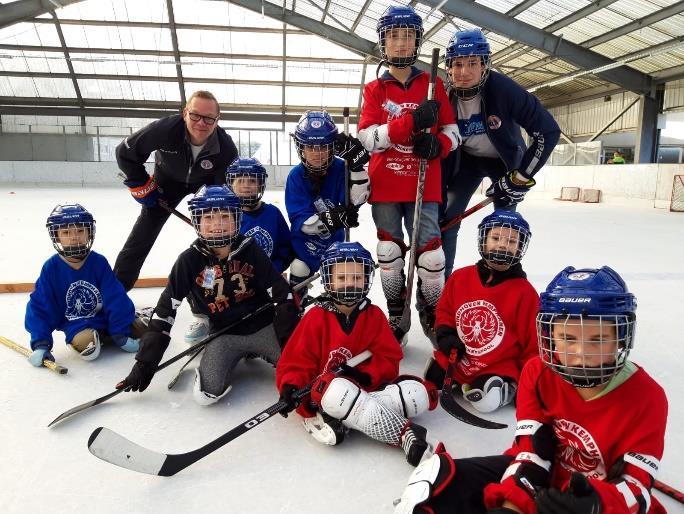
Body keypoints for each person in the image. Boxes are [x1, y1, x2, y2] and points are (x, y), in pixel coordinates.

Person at [394, 266, 668, 514]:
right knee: (432, 482)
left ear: (621, 336)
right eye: (568, 338)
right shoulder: (537, 373)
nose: (581, 352)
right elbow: (532, 452)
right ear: (550, 335)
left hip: (599, 496)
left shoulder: (647, 397)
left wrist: (596, 504)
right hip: (542, 476)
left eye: (598, 339)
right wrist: (513, 504)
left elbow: (635, 486)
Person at [118, 185, 299, 405]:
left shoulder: (250, 250)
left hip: (262, 327)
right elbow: (165, 312)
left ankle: (257, 351)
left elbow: (282, 296)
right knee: (205, 396)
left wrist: (289, 340)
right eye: (208, 217)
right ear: (196, 221)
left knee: (301, 369)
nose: (217, 224)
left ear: (237, 219)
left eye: (224, 216)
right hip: (224, 334)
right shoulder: (188, 261)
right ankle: (217, 353)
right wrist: (144, 364)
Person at [276, 242, 438, 466]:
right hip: (325, 395)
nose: (350, 284)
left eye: (357, 278)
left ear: (367, 279)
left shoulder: (373, 316)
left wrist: (365, 376)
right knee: (338, 393)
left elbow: (389, 359)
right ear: (328, 279)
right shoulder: (316, 318)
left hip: (367, 390)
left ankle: (344, 419)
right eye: (342, 279)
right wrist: (290, 388)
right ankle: (403, 434)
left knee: (417, 395)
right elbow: (296, 362)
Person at [357, 5, 460, 344]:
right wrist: (412, 123)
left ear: (417, 40)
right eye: (393, 36)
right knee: (389, 254)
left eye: (407, 36)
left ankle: (433, 313)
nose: (400, 43)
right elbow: (369, 139)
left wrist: (439, 144)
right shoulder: (375, 89)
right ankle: (395, 313)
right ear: (383, 42)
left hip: (424, 183)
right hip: (385, 184)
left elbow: (453, 132)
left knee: (431, 256)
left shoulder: (434, 84)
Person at [440, 28, 560, 277]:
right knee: (446, 223)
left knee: (505, 228)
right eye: (458, 64)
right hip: (466, 163)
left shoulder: (504, 89)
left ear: (485, 65)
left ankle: (504, 284)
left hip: (504, 163)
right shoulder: (441, 95)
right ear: (448, 67)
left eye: (473, 63)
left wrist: (521, 176)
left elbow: (548, 131)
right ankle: (442, 290)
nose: (464, 72)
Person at [114, 90, 238, 291]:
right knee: (143, 233)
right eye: (195, 115)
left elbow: (224, 188)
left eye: (208, 118)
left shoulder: (226, 148)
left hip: (206, 186)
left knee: (214, 234)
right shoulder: (165, 130)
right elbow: (124, 153)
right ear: (185, 113)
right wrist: (142, 185)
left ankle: (211, 289)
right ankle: (117, 289)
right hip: (167, 181)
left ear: (217, 120)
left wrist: (215, 219)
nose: (201, 123)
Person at [424, 211, 538, 413]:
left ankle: (506, 388)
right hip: (457, 359)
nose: (503, 245)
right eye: (496, 238)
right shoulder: (460, 277)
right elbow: (445, 311)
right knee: (428, 382)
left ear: (521, 247)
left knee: (486, 402)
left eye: (511, 241)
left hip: (497, 365)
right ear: (484, 240)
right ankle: (461, 381)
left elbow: (532, 345)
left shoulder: (525, 293)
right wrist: (445, 334)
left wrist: (529, 384)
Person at [184, 157, 293, 344]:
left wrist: (274, 269)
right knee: (200, 280)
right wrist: (208, 281)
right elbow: (208, 256)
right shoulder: (225, 217)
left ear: (261, 185)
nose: (246, 186)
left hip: (260, 278)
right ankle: (202, 318)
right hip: (226, 273)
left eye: (252, 181)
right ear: (230, 184)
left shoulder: (273, 214)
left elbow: (286, 246)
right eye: (240, 181)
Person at [25, 204, 143, 365]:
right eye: (66, 232)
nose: (74, 237)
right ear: (56, 236)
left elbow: (115, 297)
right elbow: (40, 306)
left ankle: (117, 330)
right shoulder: (51, 268)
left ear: (90, 233)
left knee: (148, 331)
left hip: (106, 318)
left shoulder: (99, 262)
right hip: (76, 324)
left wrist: (119, 332)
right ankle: (97, 338)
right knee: (90, 349)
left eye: (80, 231)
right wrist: (41, 344)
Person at [285, 110, 369, 300]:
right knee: (298, 268)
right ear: (300, 147)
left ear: (333, 146)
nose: (317, 153)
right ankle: (296, 307)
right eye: (311, 147)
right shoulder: (296, 176)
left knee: (339, 279)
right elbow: (302, 222)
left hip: (335, 244)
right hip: (304, 247)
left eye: (323, 146)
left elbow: (358, 199)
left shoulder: (342, 167)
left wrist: (356, 168)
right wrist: (333, 219)